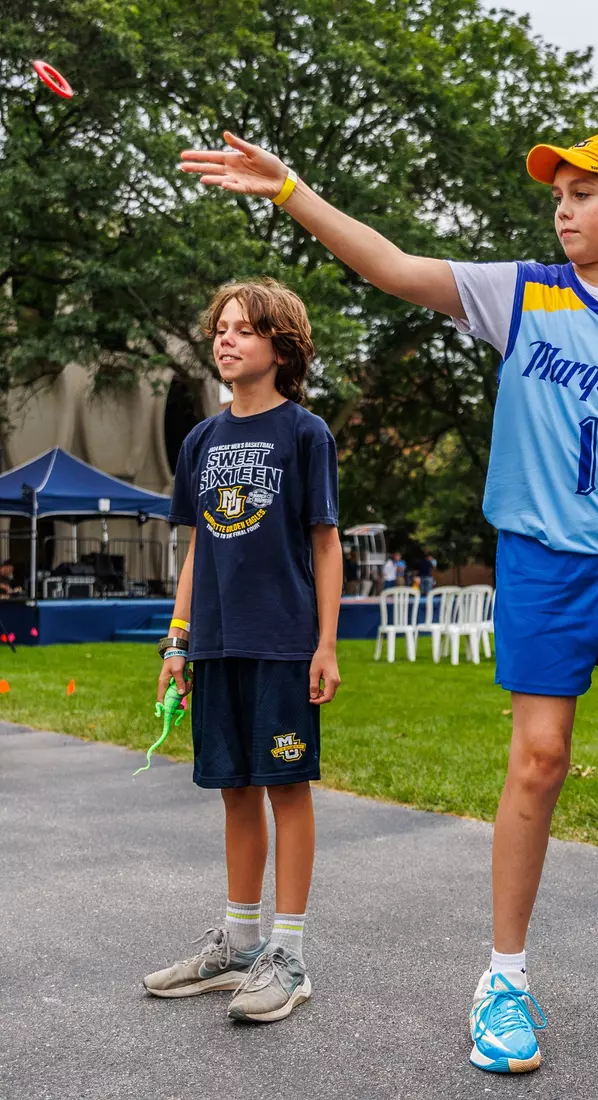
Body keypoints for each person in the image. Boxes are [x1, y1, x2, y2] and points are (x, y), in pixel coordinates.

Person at [181, 130, 598, 1068]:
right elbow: (394, 266)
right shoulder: (522, 292)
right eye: (558, 194)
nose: (563, 209)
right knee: (539, 759)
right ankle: (505, 976)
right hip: (543, 562)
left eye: (583, 193)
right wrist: (288, 187)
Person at [143, 278, 342, 1025]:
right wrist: (176, 640)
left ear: (280, 347)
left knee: (286, 788)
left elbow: (326, 545)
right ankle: (238, 941)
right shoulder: (200, 440)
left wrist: (325, 643)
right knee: (233, 789)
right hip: (216, 646)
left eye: (244, 329)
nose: (225, 338)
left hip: (285, 643)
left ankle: (287, 955)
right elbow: (197, 551)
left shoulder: (304, 433)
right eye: (220, 328)